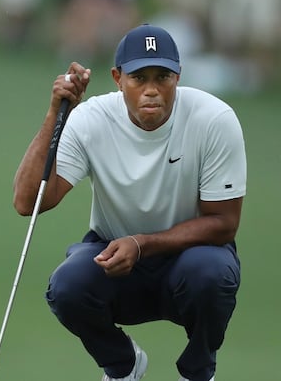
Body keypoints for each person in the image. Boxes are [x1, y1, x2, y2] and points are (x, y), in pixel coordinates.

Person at [13, 24, 247, 381]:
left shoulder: (214, 119)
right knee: (68, 288)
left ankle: (198, 372)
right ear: (118, 78)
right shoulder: (91, 119)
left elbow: (224, 223)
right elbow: (28, 201)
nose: (152, 90)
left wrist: (142, 244)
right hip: (114, 257)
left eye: (163, 77)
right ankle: (123, 366)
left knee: (212, 273)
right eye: (139, 78)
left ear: (178, 77)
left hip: (191, 257)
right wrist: (54, 116)